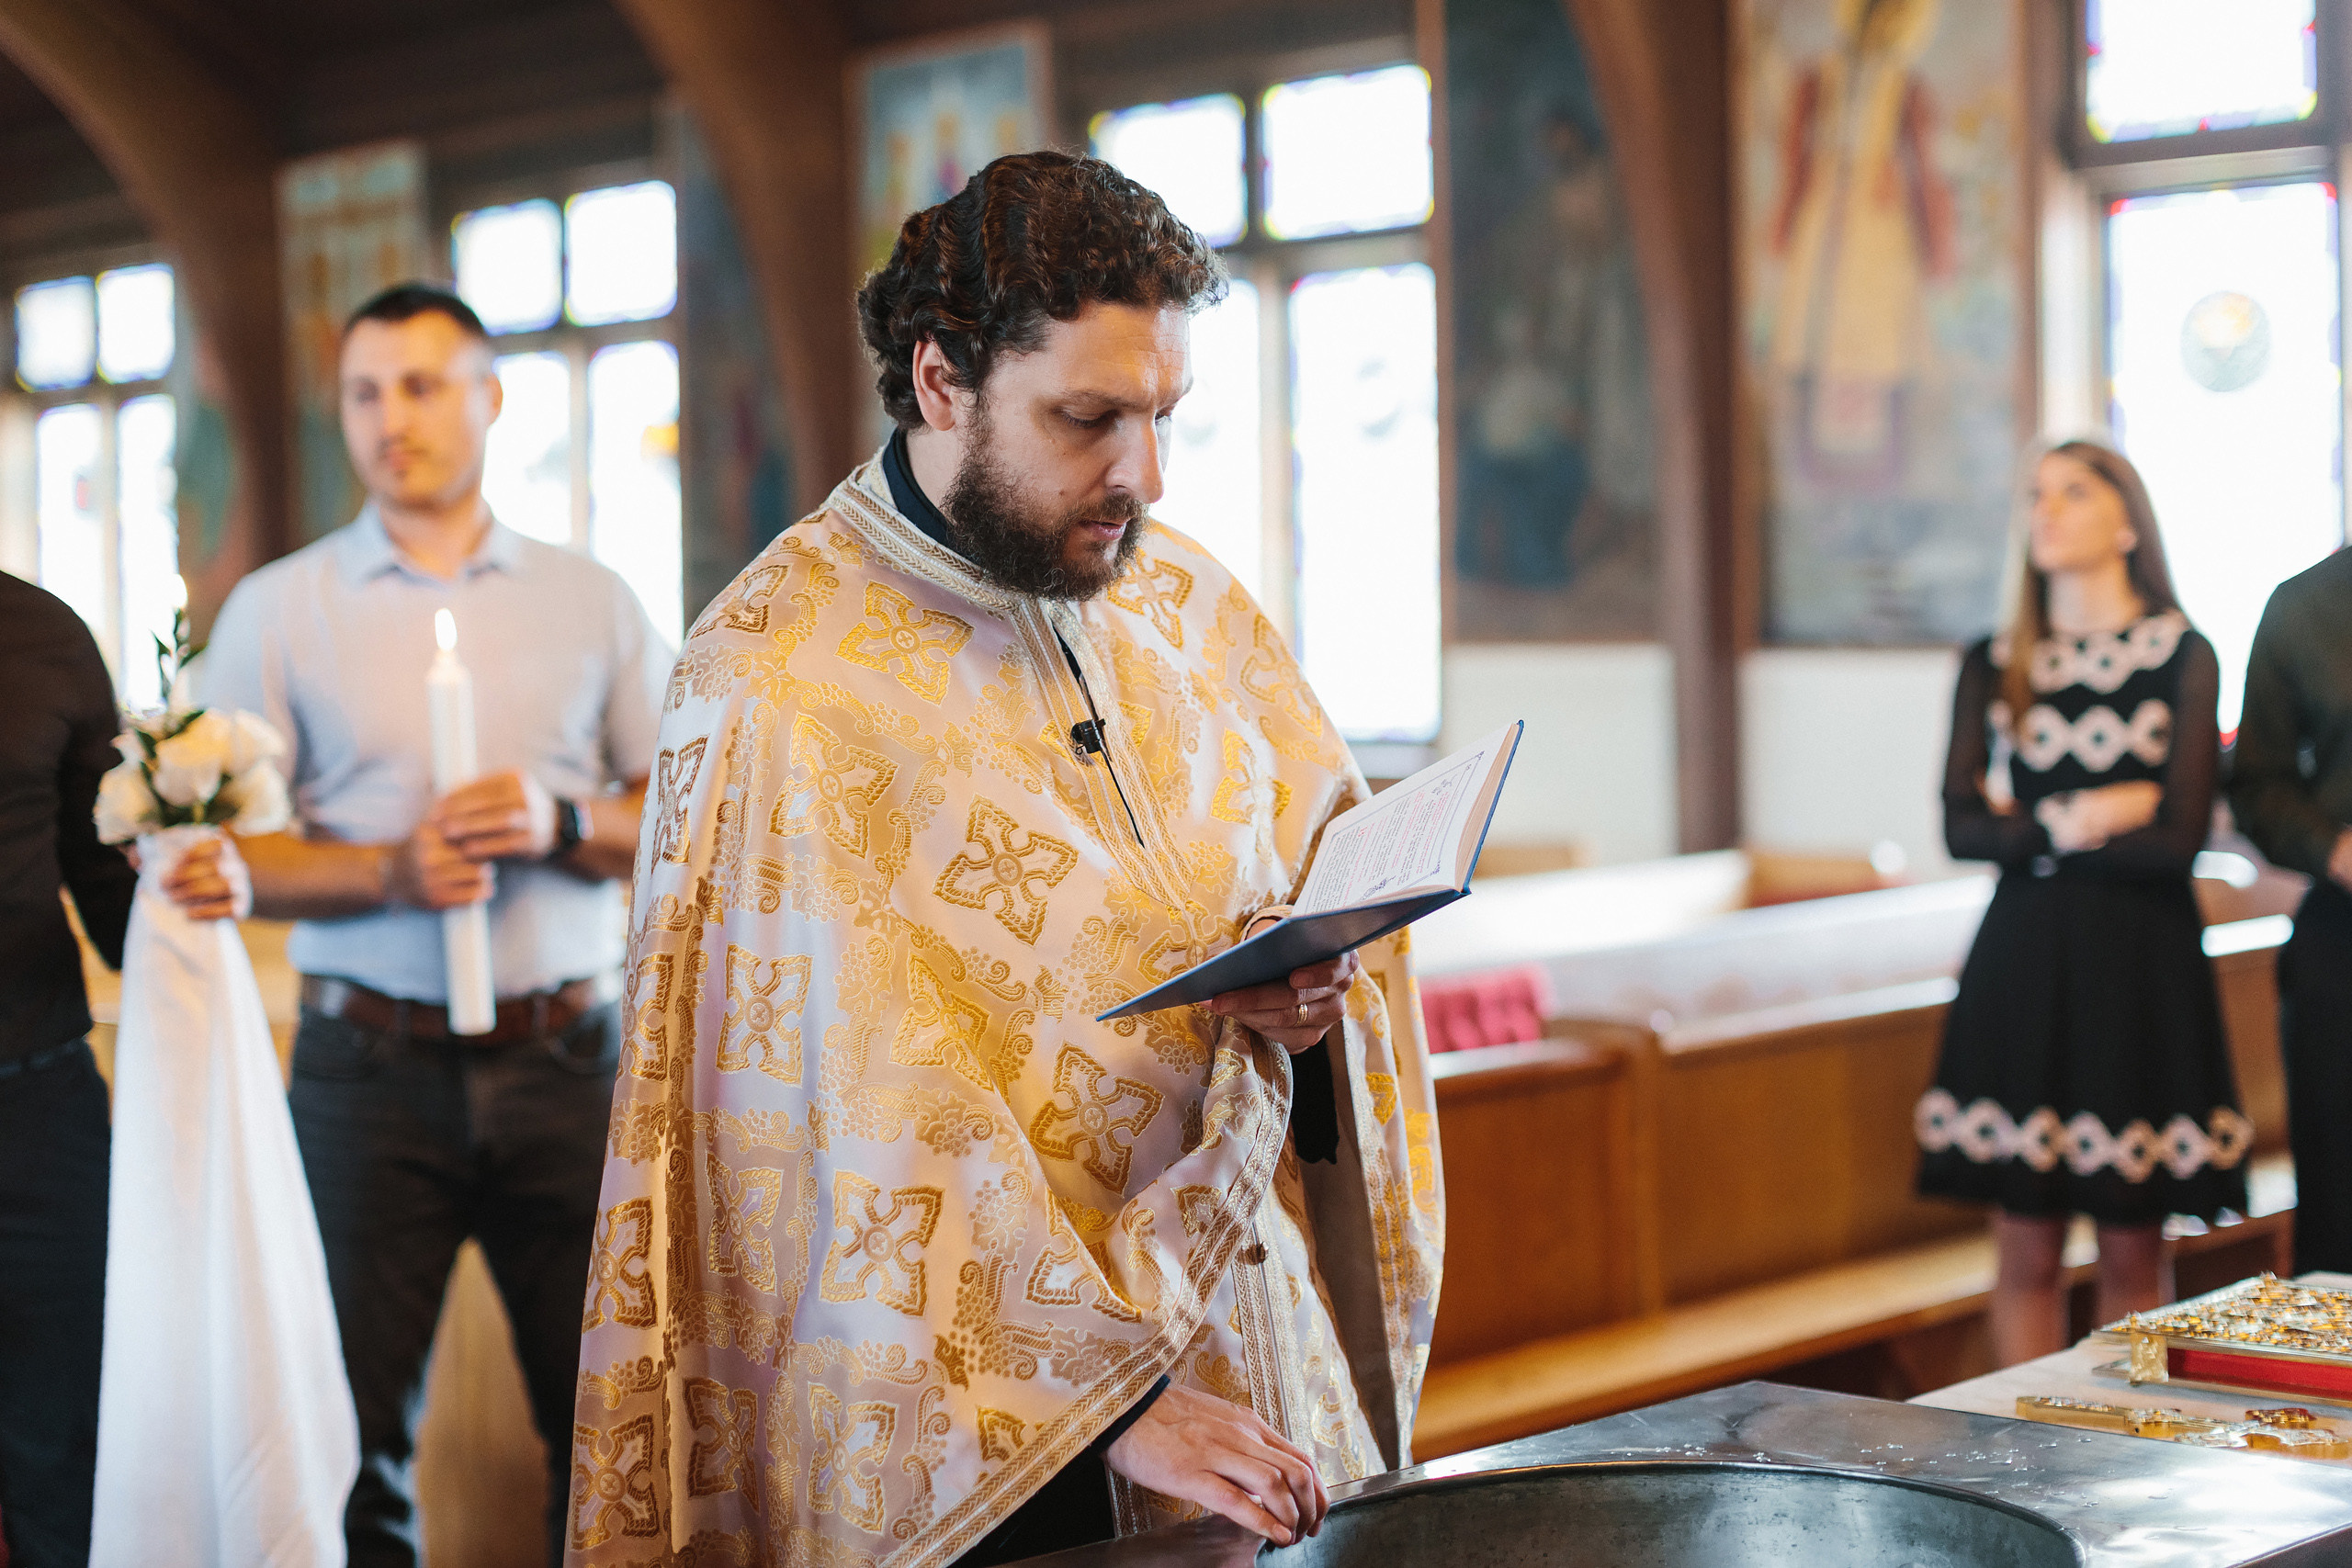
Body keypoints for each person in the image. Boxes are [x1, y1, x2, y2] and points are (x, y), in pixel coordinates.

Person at [566, 151, 1442, 1567]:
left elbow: (1290, 884)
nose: (1142, 475)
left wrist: (1297, 1000)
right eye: (1087, 417)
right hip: (979, 1455)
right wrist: (1108, 1404)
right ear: (939, 382)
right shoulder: (778, 676)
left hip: (1242, 1340)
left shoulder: (1182, 600)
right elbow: (834, 1121)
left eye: (1163, 416)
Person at [198, 284, 670, 1566]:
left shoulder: (590, 599)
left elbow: (695, 811)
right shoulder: (281, 609)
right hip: (365, 1072)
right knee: (345, 1439)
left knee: (610, 1425)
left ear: (489, 396)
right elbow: (223, 849)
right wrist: (393, 869)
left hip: (570, 1059)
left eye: (419, 385)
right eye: (363, 392)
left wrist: (562, 822)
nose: (389, 418)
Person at [1915, 438, 2250, 1366]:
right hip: (2025, 957)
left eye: (2071, 492)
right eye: (2033, 496)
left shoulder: (2180, 652)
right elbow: (1958, 824)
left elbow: (2179, 837)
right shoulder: (1995, 660)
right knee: (2022, 1242)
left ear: (2126, 522)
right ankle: (2026, 1459)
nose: (2045, 512)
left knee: (2132, 1244)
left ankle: (2125, 1460)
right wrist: (2081, 819)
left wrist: (2041, 826)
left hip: (2139, 961)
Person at [0, 573, 241, 1566]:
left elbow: (108, 890)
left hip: (36, 1114)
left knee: (68, 1460)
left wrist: (188, 882)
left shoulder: (42, 633)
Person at [2231, 523, 2352, 1274]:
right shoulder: (2305, 606)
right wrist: (2335, 848)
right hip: (2344, 938)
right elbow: (2256, 786)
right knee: (2340, 1206)